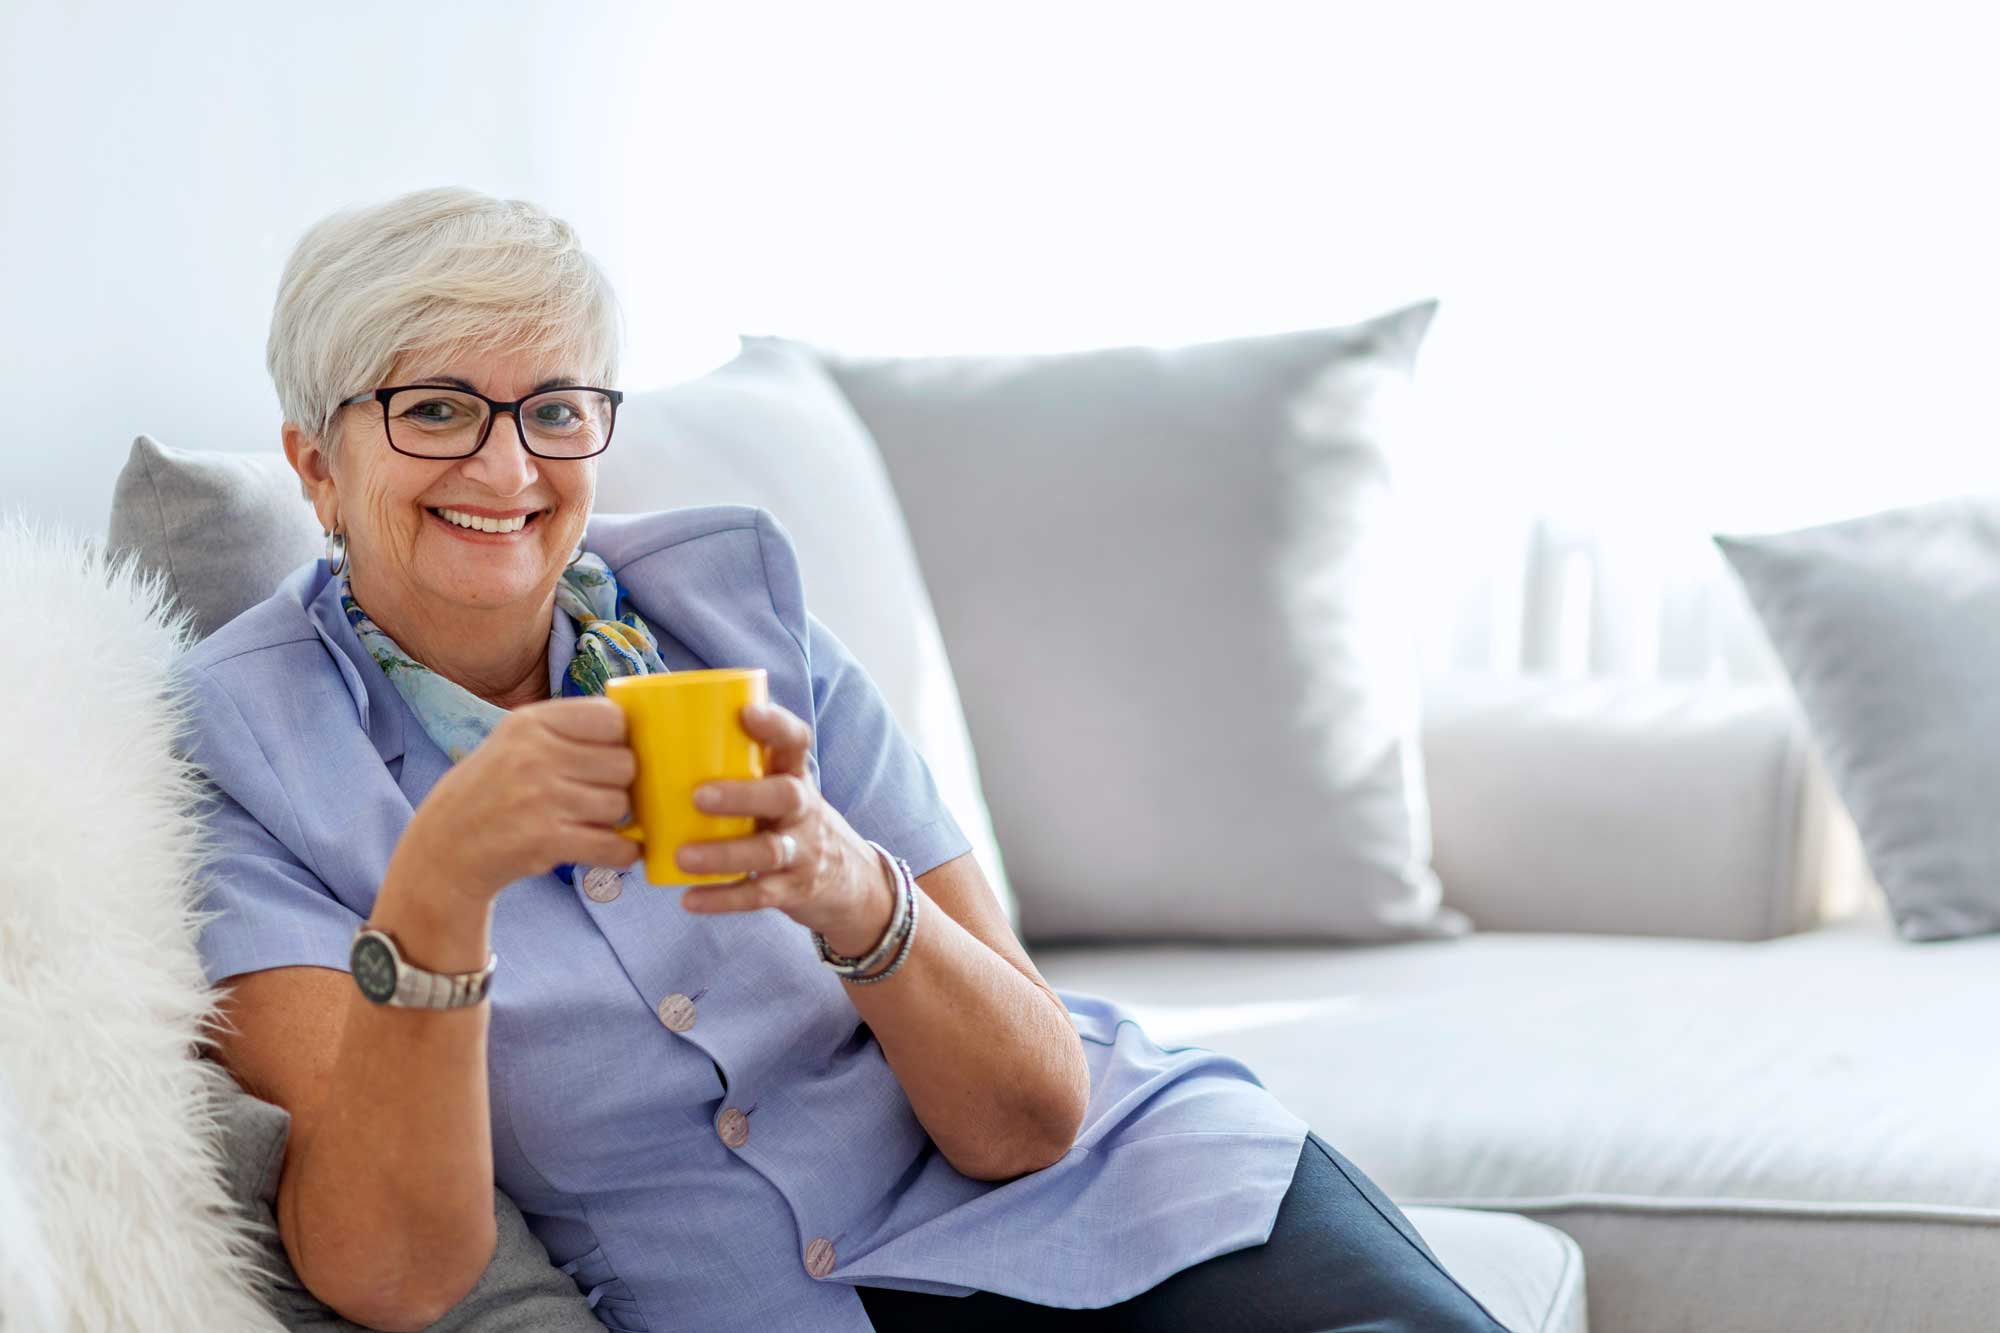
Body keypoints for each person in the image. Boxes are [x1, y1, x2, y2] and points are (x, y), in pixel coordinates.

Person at [182, 185, 1509, 1333]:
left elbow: (1035, 1113)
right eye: (436, 408)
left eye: (555, 409)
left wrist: (855, 894)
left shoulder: (734, 612)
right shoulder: (249, 744)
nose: (508, 462)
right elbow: (393, 1275)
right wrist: (442, 881)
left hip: (1127, 1201)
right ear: (317, 463)